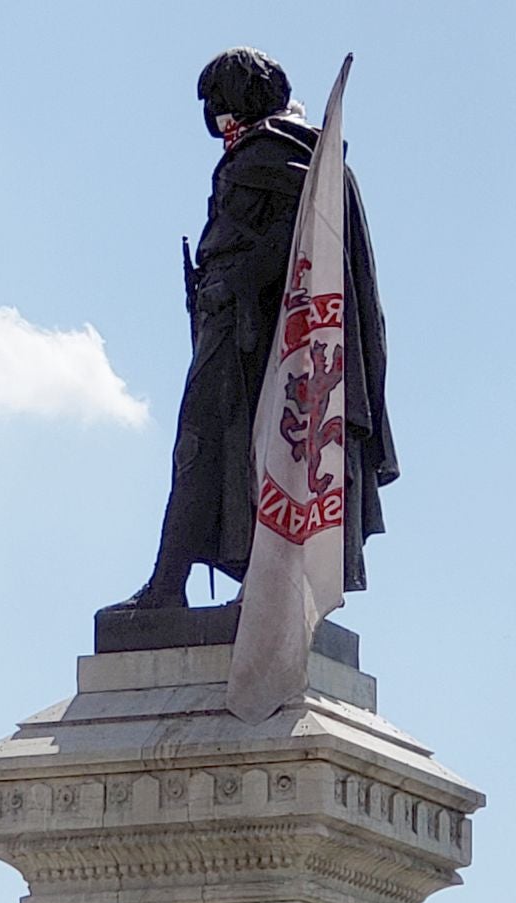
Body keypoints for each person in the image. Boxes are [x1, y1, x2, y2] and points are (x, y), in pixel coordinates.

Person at [107, 47, 398, 611]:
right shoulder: (281, 152)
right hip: (234, 329)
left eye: (219, 98)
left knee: (215, 449)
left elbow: (302, 234)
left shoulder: (273, 151)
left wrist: (234, 281)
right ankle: (197, 586)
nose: (214, 114)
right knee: (221, 453)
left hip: (254, 337)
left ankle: (182, 588)